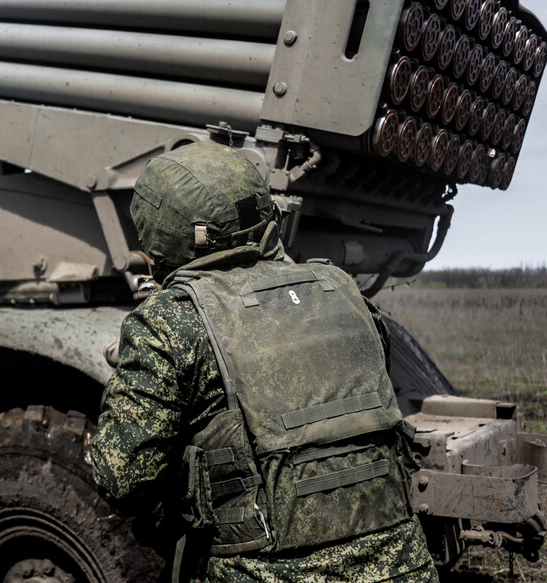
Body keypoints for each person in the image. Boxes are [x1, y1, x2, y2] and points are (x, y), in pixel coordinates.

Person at [91, 141, 438, 582]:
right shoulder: (343, 288)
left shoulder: (170, 319)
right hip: (403, 567)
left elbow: (123, 481)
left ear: (163, 233)